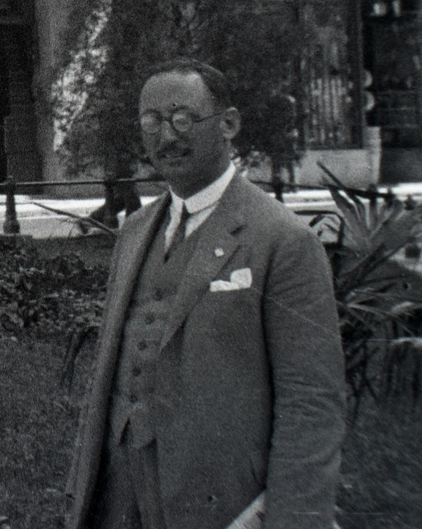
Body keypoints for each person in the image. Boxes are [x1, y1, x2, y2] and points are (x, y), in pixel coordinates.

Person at [66, 58, 345, 529]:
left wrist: (292, 516)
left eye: (183, 118)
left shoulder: (283, 240)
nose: (166, 137)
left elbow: (312, 399)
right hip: (115, 494)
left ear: (229, 125)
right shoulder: (134, 232)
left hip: (223, 505)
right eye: (152, 121)